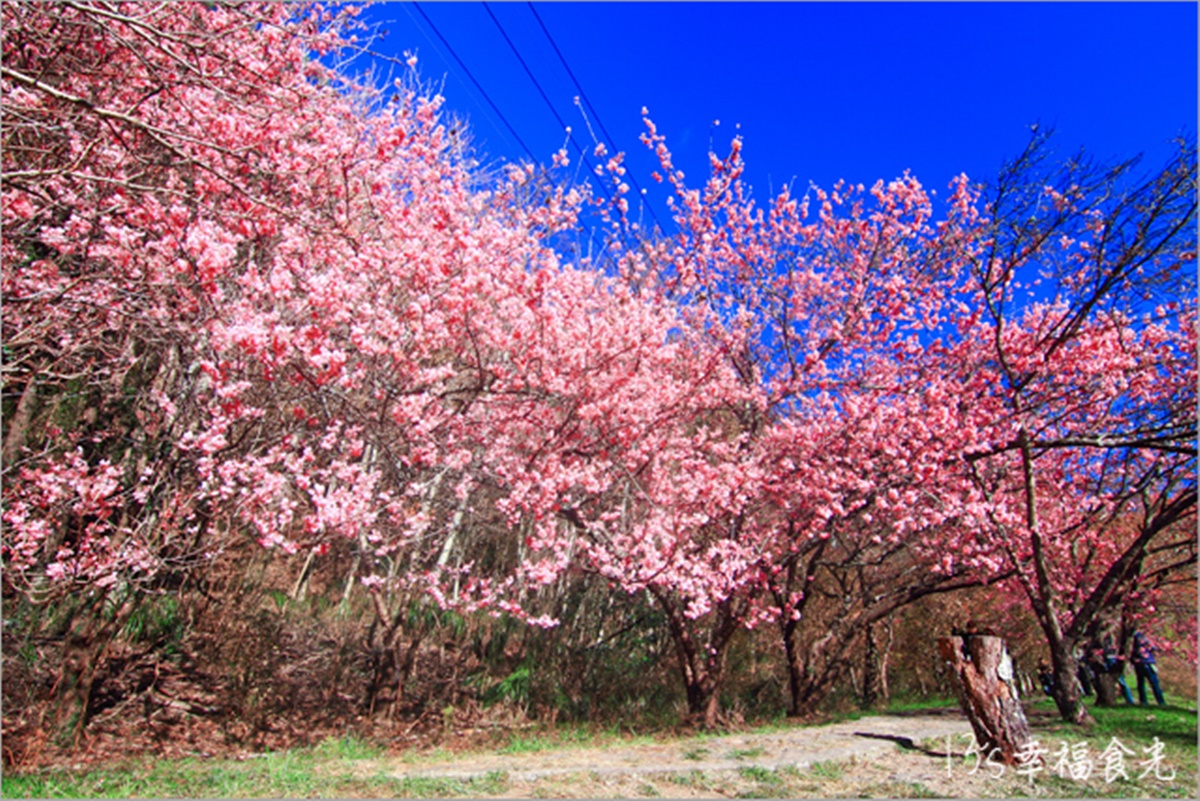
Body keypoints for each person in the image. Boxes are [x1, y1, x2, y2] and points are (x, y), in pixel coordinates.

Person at [1131, 631, 1166, 706]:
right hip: (1144, 663)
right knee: (1150, 683)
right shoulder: (1138, 636)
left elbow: (1152, 648)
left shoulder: (1139, 637)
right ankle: (1159, 701)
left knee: (1145, 683)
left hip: (1145, 663)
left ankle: (1146, 701)